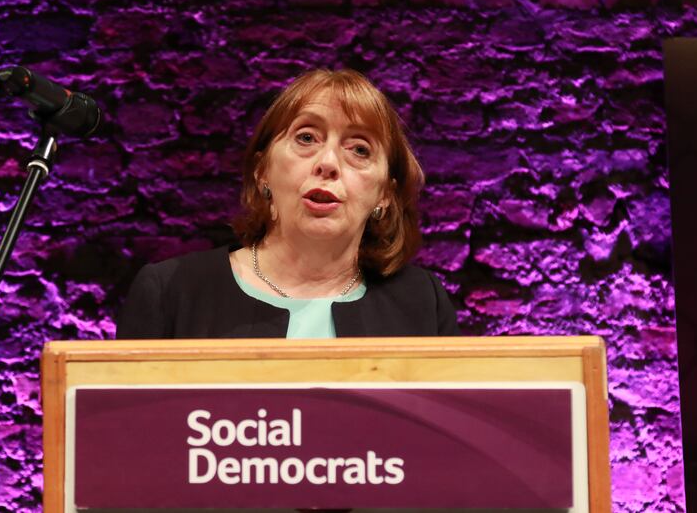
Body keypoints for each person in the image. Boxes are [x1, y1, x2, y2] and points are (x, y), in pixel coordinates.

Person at [116, 69, 459, 339]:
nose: (328, 163)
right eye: (306, 138)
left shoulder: (422, 303)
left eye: (359, 149)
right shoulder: (171, 292)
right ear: (262, 170)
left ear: (384, 194)